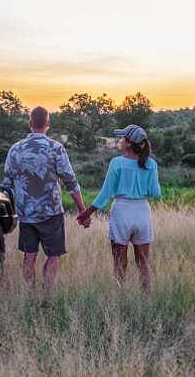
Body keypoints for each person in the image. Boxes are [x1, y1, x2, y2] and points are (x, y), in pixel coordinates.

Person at [2, 106, 89, 299]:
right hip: (51, 213)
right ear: (48, 124)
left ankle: (30, 297)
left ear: (30, 123)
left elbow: (6, 185)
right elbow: (71, 182)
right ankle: (46, 296)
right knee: (54, 255)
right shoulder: (56, 148)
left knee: (29, 257)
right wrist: (82, 210)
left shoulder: (15, 149)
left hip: (26, 214)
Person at [77, 124, 160, 293]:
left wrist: (86, 213)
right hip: (143, 212)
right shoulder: (151, 164)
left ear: (129, 143)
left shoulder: (117, 163)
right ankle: (146, 298)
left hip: (122, 212)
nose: (120, 141)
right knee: (143, 262)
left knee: (119, 262)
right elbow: (155, 192)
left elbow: (105, 193)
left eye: (122, 138)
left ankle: (121, 296)